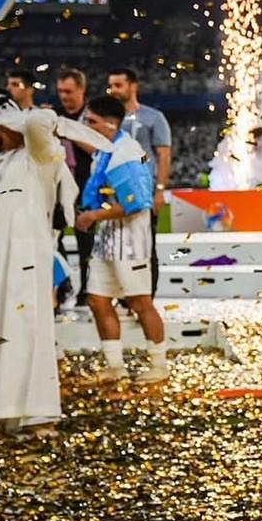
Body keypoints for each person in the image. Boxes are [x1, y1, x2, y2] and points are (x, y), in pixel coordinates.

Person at [0, 92, 111, 436]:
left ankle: (39, 415)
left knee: (28, 333)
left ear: (2, 123)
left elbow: (41, 123)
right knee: (0, 337)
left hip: (27, 266)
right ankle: (8, 413)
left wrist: (11, 112)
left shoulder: (39, 156)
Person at [75, 95, 169, 386]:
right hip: (108, 239)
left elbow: (138, 203)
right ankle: (115, 367)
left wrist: (92, 217)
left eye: (90, 121)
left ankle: (159, 364)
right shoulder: (104, 151)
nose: (85, 126)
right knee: (97, 299)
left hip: (130, 242)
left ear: (109, 123)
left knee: (140, 302)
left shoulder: (126, 154)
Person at [107, 67, 172, 293]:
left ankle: (147, 295)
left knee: (145, 244)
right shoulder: (107, 120)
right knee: (116, 243)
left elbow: (163, 155)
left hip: (144, 189)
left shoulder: (153, 117)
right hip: (113, 192)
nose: (113, 90)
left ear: (133, 86)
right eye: (111, 86)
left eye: (118, 85)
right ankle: (122, 294)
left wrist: (160, 190)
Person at [54, 67, 94, 306]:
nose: (64, 96)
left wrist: (69, 133)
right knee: (55, 238)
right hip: (57, 187)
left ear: (81, 89)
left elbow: (98, 148)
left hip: (86, 186)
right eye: (60, 91)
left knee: (85, 239)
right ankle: (63, 283)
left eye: (68, 91)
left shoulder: (92, 116)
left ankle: (87, 290)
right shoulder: (55, 115)